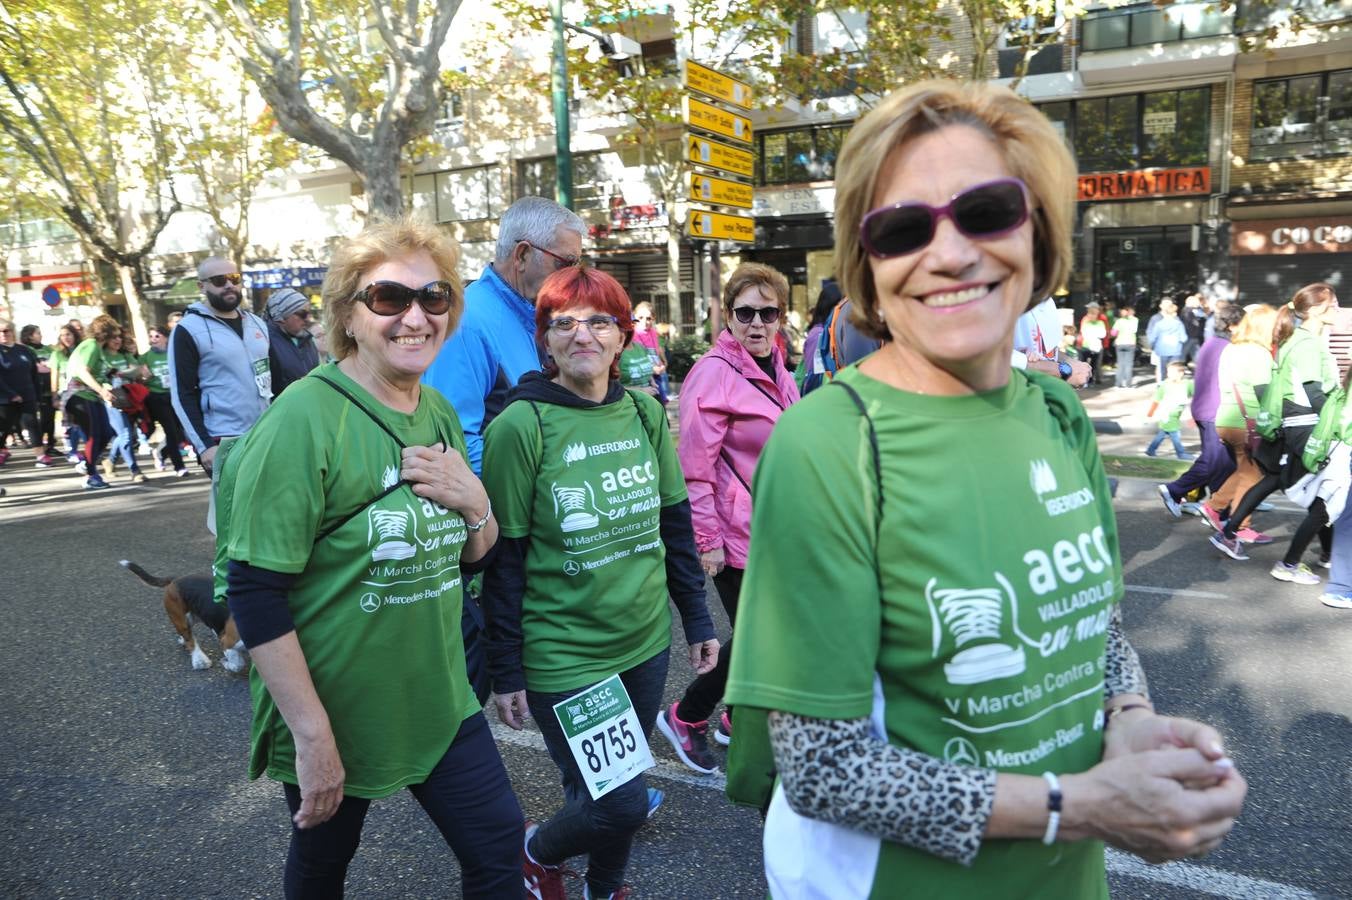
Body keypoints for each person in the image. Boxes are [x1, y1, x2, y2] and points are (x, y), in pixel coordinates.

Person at [723, 80, 1246, 898]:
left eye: (987, 210)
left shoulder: (1060, 411)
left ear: (1039, 231)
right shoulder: (830, 441)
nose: (951, 253)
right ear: (869, 265)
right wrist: (1079, 806)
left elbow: (1093, 628)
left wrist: (1132, 722)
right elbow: (823, 770)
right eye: (902, 229)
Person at [219, 217, 523, 898]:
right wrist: (313, 735)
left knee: (500, 850)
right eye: (389, 299)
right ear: (349, 317)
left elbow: (470, 558)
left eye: (435, 297)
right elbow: (255, 589)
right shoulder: (302, 422)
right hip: (338, 707)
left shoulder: (438, 411)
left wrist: (477, 504)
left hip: (440, 697)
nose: (416, 317)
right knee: (324, 869)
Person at [480, 265, 717, 900]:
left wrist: (696, 620)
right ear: (545, 341)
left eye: (598, 321)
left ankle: (604, 889)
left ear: (622, 338)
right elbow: (505, 561)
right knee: (622, 803)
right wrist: (507, 669)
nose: (581, 335)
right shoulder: (520, 427)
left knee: (609, 785)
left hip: (643, 644)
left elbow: (674, 524)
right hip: (567, 653)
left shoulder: (643, 411)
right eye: (563, 323)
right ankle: (533, 854)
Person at [656, 262, 799, 773]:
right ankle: (687, 714)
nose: (757, 323)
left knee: (772, 628)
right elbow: (693, 469)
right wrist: (708, 539)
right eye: (746, 313)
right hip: (733, 533)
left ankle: (735, 716)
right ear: (728, 315)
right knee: (765, 634)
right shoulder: (713, 373)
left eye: (768, 312)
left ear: (781, 317)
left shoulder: (776, 365)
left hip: (773, 528)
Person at [422, 195, 587, 473]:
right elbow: (456, 442)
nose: (572, 277)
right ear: (522, 255)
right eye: (565, 264)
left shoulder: (533, 311)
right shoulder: (469, 322)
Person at [1211, 283, 1340, 561]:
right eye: (1333, 304)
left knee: (1278, 481)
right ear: (1317, 309)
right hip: (1305, 425)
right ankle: (1295, 562)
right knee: (1321, 495)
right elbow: (1312, 390)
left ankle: (1230, 532)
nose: (1337, 309)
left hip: (1293, 424)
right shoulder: (1305, 342)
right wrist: (1337, 421)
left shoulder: (1294, 341)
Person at [1196, 304, 1292, 553]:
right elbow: (1265, 394)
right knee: (1252, 476)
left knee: (1244, 471)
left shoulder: (1232, 349)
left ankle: (1214, 507)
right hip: (1248, 423)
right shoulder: (1258, 353)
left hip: (1226, 420)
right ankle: (1238, 529)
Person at [169, 256, 272, 477]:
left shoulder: (257, 323)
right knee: (235, 509)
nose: (228, 285)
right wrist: (204, 445)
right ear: (201, 286)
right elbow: (181, 394)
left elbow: (274, 379)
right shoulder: (187, 329)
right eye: (218, 280)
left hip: (265, 433)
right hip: (224, 437)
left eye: (234, 278)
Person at [1157, 303, 1243, 518]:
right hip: (1215, 411)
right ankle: (1177, 490)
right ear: (1233, 326)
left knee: (1221, 461)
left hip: (1208, 408)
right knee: (1216, 461)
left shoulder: (1213, 343)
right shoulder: (1226, 348)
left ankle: (1217, 508)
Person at [62, 314, 125, 490]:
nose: (117, 336)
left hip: (91, 396)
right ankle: (91, 475)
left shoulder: (98, 348)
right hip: (80, 395)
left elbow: (97, 373)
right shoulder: (91, 346)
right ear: (106, 332)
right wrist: (101, 390)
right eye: (114, 331)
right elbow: (83, 372)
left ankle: (86, 463)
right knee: (94, 435)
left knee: (106, 432)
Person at [101, 329, 150, 484]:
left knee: (125, 435)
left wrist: (119, 373)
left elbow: (137, 370)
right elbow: (101, 375)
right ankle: (135, 470)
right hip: (111, 400)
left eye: (119, 337)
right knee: (126, 435)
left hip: (129, 399)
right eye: (113, 337)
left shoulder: (125, 355)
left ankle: (110, 460)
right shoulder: (101, 355)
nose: (117, 340)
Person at [140, 325, 190, 476]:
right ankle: (179, 466)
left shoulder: (173, 353)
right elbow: (140, 379)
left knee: (181, 432)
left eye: (157, 336)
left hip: (175, 395)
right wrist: (144, 376)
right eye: (151, 336)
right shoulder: (145, 357)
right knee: (170, 430)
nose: (153, 339)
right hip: (157, 397)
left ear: (166, 338)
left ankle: (162, 452)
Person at [264, 288, 321, 397]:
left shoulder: (306, 338)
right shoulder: (266, 343)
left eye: (310, 313)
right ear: (281, 318)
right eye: (302, 314)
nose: (308, 318)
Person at [19, 325, 58, 465]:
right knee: (40, 419)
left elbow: (55, 363)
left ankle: (51, 445)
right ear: (29, 336)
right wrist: (47, 366)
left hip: (51, 387)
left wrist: (48, 366)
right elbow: (37, 367)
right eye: (38, 333)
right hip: (37, 389)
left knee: (50, 417)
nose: (40, 335)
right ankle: (40, 445)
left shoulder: (48, 349)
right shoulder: (27, 350)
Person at [1144, 362, 1194, 460]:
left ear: (1181, 373)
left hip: (1176, 414)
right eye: (1168, 372)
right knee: (1175, 433)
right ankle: (1181, 453)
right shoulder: (1165, 384)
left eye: (1172, 372)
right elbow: (1157, 399)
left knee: (1163, 433)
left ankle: (1151, 450)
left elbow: (1196, 395)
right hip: (1167, 414)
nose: (1168, 375)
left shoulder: (1187, 384)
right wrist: (1150, 413)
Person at [630, 301, 668, 402]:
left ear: (653, 319)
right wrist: (652, 369)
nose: (645, 321)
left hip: (656, 371)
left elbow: (656, 350)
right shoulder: (634, 333)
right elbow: (638, 356)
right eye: (641, 317)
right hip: (643, 373)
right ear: (634, 316)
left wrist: (661, 363)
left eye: (649, 318)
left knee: (661, 398)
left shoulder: (653, 332)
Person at [1146, 298, 1187, 382]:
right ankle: (1173, 385)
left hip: (1161, 350)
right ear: (1174, 313)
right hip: (1175, 349)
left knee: (1162, 369)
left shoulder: (1159, 324)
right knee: (1174, 369)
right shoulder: (1178, 323)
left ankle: (1162, 386)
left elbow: (1152, 337)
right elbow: (1184, 338)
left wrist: (1153, 345)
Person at [1077, 301, 1107, 385]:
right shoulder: (1085, 320)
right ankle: (1085, 380)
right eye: (1089, 311)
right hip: (1086, 345)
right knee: (1085, 364)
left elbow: (1103, 334)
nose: (1091, 314)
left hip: (1097, 346)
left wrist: (1094, 334)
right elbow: (1084, 333)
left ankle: (1092, 380)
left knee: (1095, 364)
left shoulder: (1101, 320)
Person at [1110, 305, 1139, 388]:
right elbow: (1134, 330)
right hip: (1130, 343)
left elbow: (1113, 333)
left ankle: (1118, 383)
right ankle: (1128, 384)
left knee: (1120, 363)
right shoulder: (1135, 320)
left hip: (1119, 343)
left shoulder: (1119, 321)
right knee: (1129, 364)